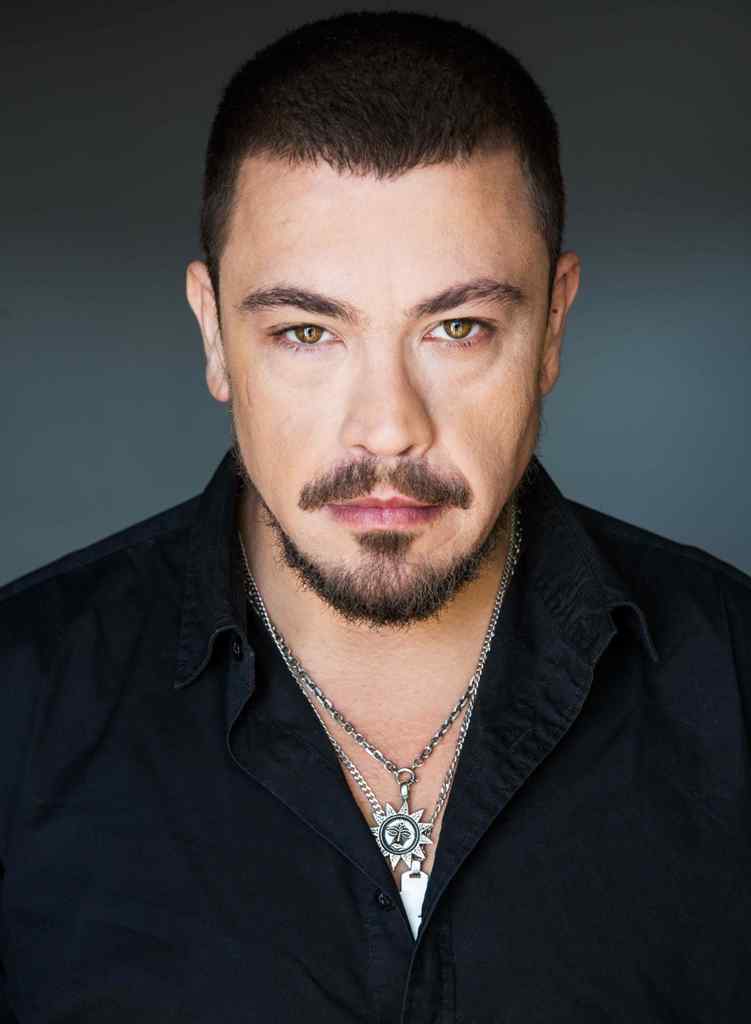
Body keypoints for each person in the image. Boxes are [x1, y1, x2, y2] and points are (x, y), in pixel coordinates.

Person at [1, 10, 749, 1022]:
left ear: (551, 326)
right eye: (307, 332)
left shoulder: (732, 680)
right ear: (213, 333)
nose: (388, 428)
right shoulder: (20, 703)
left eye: (457, 327)